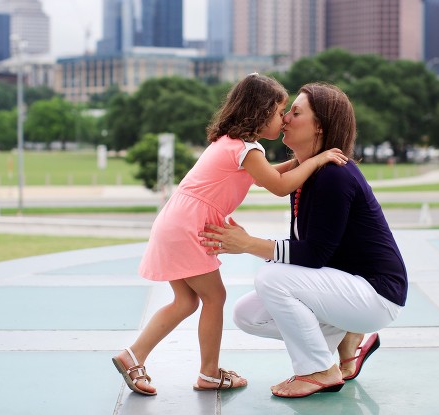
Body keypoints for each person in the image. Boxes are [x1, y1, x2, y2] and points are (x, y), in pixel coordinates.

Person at [112, 74, 348, 396]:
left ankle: (133, 356)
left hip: (176, 222)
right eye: (280, 112)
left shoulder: (232, 144)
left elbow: (267, 177)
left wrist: (301, 160)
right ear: (261, 112)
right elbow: (279, 187)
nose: (283, 121)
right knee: (214, 297)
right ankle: (208, 374)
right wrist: (317, 159)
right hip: (188, 227)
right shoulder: (247, 151)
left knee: (186, 300)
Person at [200, 82, 408, 398]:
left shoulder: (334, 176)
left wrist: (247, 243)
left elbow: (313, 255)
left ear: (319, 127)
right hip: (343, 287)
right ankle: (344, 342)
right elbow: (308, 250)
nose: (284, 120)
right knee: (248, 315)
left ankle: (319, 370)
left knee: (272, 278)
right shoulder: (310, 171)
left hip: (376, 293)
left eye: (294, 113)